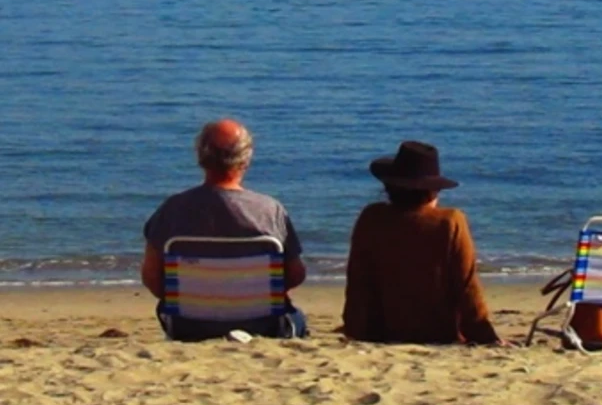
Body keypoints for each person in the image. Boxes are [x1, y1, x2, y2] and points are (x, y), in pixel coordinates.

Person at [140, 118, 307, 340]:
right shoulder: (270, 210)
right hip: (263, 324)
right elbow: (296, 274)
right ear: (246, 159)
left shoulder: (173, 209)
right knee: (299, 320)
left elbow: (152, 276)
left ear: (201, 157)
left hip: (188, 326)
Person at [342, 140, 502, 345]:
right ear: (431, 191)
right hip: (437, 334)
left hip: (378, 333)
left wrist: (355, 330)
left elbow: (357, 283)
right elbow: (466, 287)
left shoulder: (371, 217)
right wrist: (486, 336)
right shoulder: (450, 221)